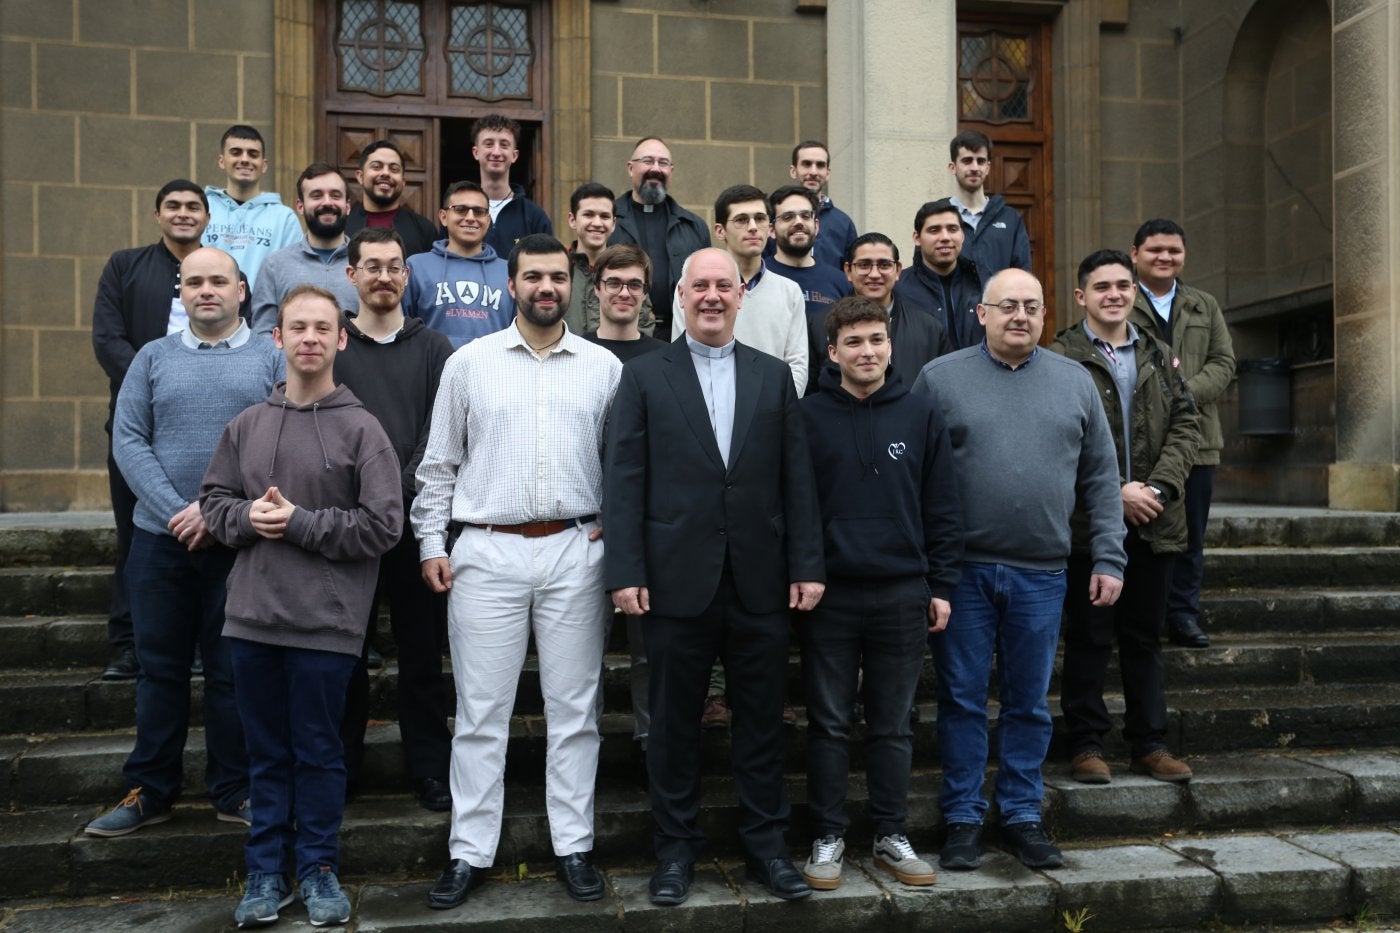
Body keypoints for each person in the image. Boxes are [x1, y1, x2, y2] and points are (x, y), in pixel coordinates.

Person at [603, 247, 825, 907]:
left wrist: (808, 563)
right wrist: (626, 567)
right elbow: (625, 478)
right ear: (678, 296)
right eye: (699, 285)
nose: (711, 295)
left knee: (762, 721)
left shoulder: (771, 376)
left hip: (759, 578)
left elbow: (797, 477)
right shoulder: (644, 376)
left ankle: (767, 849)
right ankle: (674, 852)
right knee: (671, 724)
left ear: (740, 296)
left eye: (723, 285)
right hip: (673, 580)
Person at [412, 234, 621, 910]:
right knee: (479, 712)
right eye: (533, 276)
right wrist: (429, 542)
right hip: (487, 550)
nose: (546, 288)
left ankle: (574, 846)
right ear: (511, 285)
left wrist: (613, 535)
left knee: (575, 710)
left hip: (574, 546)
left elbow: (624, 467)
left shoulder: (603, 367)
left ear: (573, 285)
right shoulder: (468, 364)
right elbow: (438, 463)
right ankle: (468, 851)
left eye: (557, 277)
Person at [911, 268, 1126, 872]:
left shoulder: (1075, 381)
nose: (1020, 316)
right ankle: (961, 817)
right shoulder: (940, 379)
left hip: (1042, 573)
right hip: (964, 575)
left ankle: (1023, 816)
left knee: (1029, 703)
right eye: (1008, 306)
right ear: (982, 313)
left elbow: (1102, 481)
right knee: (961, 700)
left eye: (1032, 306)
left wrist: (1109, 555)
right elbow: (917, 480)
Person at [202, 285, 403, 929]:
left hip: (327, 624)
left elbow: (383, 526)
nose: (310, 338)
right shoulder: (247, 425)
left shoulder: (363, 429)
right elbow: (212, 503)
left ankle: (318, 869)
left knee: (318, 752)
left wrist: (296, 524)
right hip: (253, 619)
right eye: (298, 327)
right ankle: (266, 872)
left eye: (323, 327)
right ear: (278, 339)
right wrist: (245, 516)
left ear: (342, 339)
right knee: (264, 753)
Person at [84, 247, 281, 840]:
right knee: (159, 671)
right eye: (193, 282)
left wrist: (218, 515)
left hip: (239, 546)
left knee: (231, 673)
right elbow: (130, 442)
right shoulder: (151, 358)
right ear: (181, 293)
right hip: (159, 543)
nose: (206, 291)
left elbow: (276, 445)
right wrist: (180, 513)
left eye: (218, 280)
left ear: (241, 289)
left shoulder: (269, 360)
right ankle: (152, 790)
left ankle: (233, 787)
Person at [797, 296, 963, 891]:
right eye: (855, 342)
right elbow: (796, 509)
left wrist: (941, 583)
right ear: (833, 351)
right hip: (830, 596)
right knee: (830, 721)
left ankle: (891, 832)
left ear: (890, 346)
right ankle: (828, 836)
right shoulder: (808, 417)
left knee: (893, 723)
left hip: (902, 592)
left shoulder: (920, 414)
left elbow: (941, 504)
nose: (867, 351)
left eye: (877, 340)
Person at [1051, 249, 1201, 785]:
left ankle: (1149, 744)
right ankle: (1087, 743)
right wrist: (1115, 493)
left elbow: (1187, 425)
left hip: (1155, 520)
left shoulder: (1158, 353)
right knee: (1090, 636)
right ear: (1081, 296)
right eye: (1102, 287)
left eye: (1122, 285)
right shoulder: (1060, 358)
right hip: (1089, 526)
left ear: (1134, 291)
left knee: (1144, 636)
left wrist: (1157, 487)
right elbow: (1057, 442)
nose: (1114, 294)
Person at [91, 180, 250, 681]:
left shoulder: (224, 275)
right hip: (144, 418)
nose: (183, 214)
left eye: (193, 206)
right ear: (158, 214)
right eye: (173, 206)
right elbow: (107, 336)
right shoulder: (126, 266)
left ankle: (202, 645)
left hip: (214, 458)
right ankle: (129, 642)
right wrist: (146, 373)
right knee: (133, 540)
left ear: (208, 216)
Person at [333, 227, 455, 811]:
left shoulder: (434, 348)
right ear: (351, 275)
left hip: (413, 525)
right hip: (346, 526)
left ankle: (429, 767)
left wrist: (394, 493)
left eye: (394, 267)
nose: (384, 276)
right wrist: (365, 502)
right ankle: (341, 767)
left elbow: (440, 434)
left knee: (421, 656)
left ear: (407, 277)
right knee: (343, 656)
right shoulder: (333, 345)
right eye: (371, 266)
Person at [1129, 219, 1236, 649]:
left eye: (1173, 250)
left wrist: (1180, 393)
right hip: (1139, 439)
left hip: (1199, 440)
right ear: (1135, 253)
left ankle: (1182, 615)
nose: (1165, 257)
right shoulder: (1124, 299)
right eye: (1155, 250)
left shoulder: (1203, 305)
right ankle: (1140, 616)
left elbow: (1224, 362)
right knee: (1143, 536)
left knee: (1190, 535)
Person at [671, 185, 808, 397]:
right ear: (720, 230)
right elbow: (682, 355)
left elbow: (797, 366)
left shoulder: (790, 291)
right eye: (742, 220)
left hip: (770, 414)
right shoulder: (692, 287)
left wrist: (772, 409)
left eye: (760, 218)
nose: (753, 227)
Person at [608, 136, 711, 337]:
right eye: (647, 161)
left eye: (663, 163)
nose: (655, 169)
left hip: (678, 335)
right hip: (623, 334)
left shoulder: (693, 226)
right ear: (630, 168)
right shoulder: (609, 222)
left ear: (671, 171)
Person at [829, 233, 950, 396]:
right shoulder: (820, 325)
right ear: (848, 270)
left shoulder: (930, 329)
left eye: (884, 265)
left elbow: (943, 391)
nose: (874, 274)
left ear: (898, 270)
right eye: (864, 265)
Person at [252, 162, 359, 336]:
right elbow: (263, 335)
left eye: (335, 195)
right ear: (300, 206)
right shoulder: (274, 265)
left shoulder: (365, 264)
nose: (327, 202)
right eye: (316, 195)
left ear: (347, 206)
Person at [403, 180, 514, 349]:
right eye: (460, 210)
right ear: (443, 217)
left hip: (494, 372)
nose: (470, 218)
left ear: (488, 219)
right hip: (432, 372)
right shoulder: (416, 267)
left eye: (479, 212)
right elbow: (401, 328)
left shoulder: (509, 271)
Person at [200, 125, 301, 288]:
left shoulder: (284, 219)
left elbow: (293, 275)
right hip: (207, 307)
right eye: (236, 152)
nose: (245, 159)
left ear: (264, 165)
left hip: (262, 312)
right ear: (221, 161)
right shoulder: (202, 209)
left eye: (253, 154)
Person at [564, 182, 656, 336]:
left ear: (613, 224)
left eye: (604, 216)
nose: (597, 223)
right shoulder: (559, 271)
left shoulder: (630, 269)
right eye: (588, 215)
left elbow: (644, 324)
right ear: (572, 219)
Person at [896, 198, 985, 350]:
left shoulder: (983, 284)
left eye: (952, 229)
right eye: (934, 230)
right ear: (917, 238)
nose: (945, 237)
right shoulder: (898, 289)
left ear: (962, 236)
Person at [946, 130, 1031, 285]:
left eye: (980, 161)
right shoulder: (937, 215)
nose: (974, 167)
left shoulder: (1010, 218)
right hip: (951, 309)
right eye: (967, 161)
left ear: (988, 167)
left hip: (996, 308)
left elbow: (1022, 275)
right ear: (953, 167)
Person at [765, 184, 851, 320]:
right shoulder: (758, 278)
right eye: (788, 217)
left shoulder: (840, 282)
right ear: (771, 230)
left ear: (816, 226)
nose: (798, 222)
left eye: (805, 216)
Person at [472, 113, 552, 256]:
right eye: (489, 144)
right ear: (476, 152)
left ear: (514, 155)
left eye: (504, 145)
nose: (496, 152)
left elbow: (547, 265)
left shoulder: (535, 216)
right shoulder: (460, 212)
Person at [344, 140, 438, 258]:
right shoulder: (342, 225)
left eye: (394, 169)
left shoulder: (424, 229)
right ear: (360, 176)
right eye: (377, 167)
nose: (385, 173)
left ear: (403, 182)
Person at [785, 140, 858, 271]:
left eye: (820, 165)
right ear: (793, 171)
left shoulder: (843, 223)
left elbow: (852, 273)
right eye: (806, 164)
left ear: (827, 173)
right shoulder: (776, 217)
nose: (813, 172)